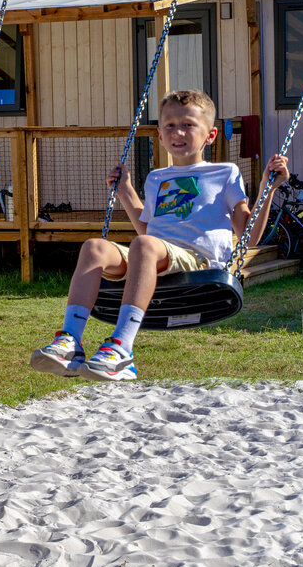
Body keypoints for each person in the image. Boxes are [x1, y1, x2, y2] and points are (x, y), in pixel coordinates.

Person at [30, 89, 288, 382]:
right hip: (155, 253)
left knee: (145, 246)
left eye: (189, 124)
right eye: (170, 125)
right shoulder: (156, 179)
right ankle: (70, 341)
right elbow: (148, 231)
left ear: (210, 135)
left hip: (197, 261)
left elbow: (249, 238)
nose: (178, 132)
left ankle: (121, 347)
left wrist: (269, 187)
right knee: (94, 247)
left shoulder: (224, 173)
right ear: (160, 135)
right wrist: (126, 192)